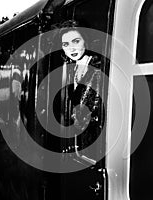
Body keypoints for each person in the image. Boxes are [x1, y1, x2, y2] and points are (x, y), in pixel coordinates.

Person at [53, 20, 104, 155]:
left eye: (76, 41)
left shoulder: (98, 67)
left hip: (97, 139)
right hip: (79, 140)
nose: (71, 49)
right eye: (66, 44)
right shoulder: (71, 70)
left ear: (85, 41)